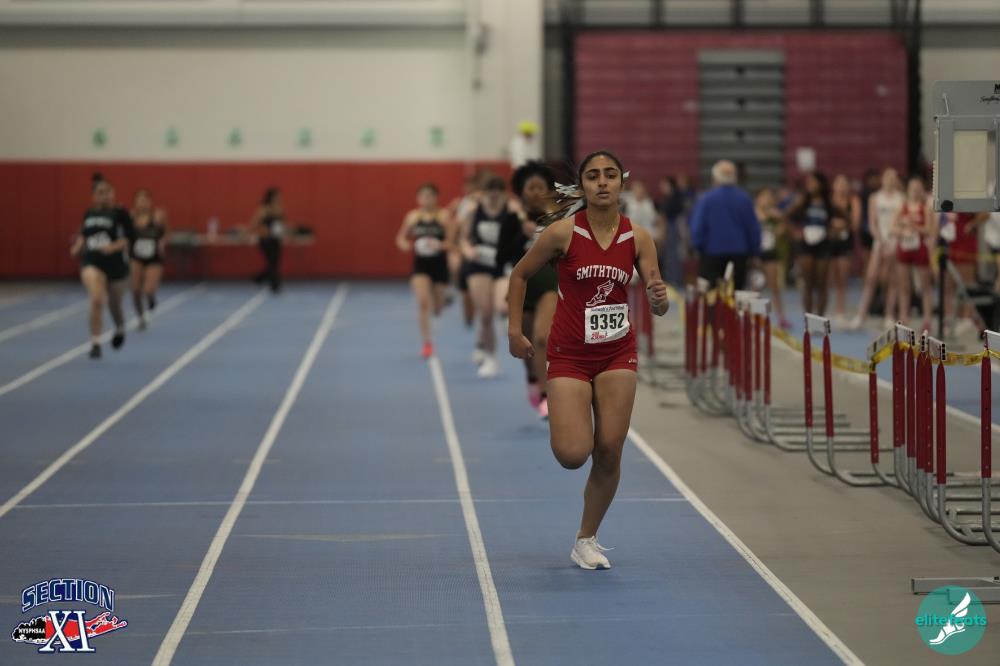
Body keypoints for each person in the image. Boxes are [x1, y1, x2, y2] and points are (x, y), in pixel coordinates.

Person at [506, 150, 669, 570]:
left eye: (610, 175)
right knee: (573, 454)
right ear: (582, 186)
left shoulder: (638, 237)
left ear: (621, 183)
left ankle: (586, 538)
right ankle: (570, 424)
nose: (602, 182)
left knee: (610, 449)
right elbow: (520, 274)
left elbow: (658, 297)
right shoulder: (562, 233)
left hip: (617, 352)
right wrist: (514, 330)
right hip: (569, 355)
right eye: (593, 176)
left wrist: (659, 298)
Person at [500, 161, 560, 418]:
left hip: (549, 282)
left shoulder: (557, 220)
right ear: (521, 191)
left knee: (541, 338)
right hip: (522, 286)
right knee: (526, 344)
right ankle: (533, 378)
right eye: (530, 188)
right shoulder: (512, 220)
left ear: (548, 191)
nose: (535, 193)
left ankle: (546, 396)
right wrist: (522, 237)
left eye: (540, 188)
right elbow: (501, 257)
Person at [459, 176, 520, 377]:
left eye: (497, 194)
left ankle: (504, 317)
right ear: (482, 194)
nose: (493, 198)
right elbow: (463, 239)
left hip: (502, 264)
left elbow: (520, 237)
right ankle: (491, 357)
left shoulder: (512, 210)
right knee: (485, 314)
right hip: (479, 264)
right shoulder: (473, 211)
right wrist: (468, 250)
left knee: (501, 305)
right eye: (489, 194)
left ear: (503, 193)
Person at [70, 174, 131, 359]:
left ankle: (119, 327)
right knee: (97, 298)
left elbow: (129, 238)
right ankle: (95, 343)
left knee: (115, 304)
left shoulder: (120, 213)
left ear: (113, 194)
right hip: (92, 261)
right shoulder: (89, 213)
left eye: (107, 192)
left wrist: (114, 247)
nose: (104, 196)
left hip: (115, 265)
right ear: (94, 196)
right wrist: (78, 245)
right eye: (100, 193)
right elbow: (85, 234)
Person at [395, 183, 452, 358]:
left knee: (437, 309)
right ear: (418, 198)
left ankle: (442, 301)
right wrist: (405, 245)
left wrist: (439, 245)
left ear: (436, 197)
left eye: (430, 196)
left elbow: (452, 242)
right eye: (423, 196)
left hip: (439, 264)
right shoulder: (413, 217)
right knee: (422, 302)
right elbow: (401, 237)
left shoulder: (444, 216)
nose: (426, 199)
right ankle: (427, 343)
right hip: (420, 265)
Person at [688, 160, 760, 290]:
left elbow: (697, 227)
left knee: (711, 295)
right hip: (739, 255)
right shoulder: (745, 199)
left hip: (711, 254)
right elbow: (753, 228)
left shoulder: (706, 199)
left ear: (715, 178)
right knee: (736, 293)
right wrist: (754, 252)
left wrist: (698, 246)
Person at [848, 168, 904, 329]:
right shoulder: (875, 198)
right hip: (880, 240)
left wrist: (893, 239)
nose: (890, 180)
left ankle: (889, 314)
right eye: (887, 177)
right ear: (882, 179)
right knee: (871, 277)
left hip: (895, 240)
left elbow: (901, 221)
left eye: (893, 177)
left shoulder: (901, 198)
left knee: (893, 279)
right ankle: (861, 315)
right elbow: (872, 223)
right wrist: (880, 239)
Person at [892, 175, 937, 331]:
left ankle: (927, 319)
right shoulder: (902, 206)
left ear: (922, 190)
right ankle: (904, 316)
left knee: (925, 285)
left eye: (918, 189)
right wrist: (902, 231)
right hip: (904, 247)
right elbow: (893, 227)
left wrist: (913, 226)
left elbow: (929, 229)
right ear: (908, 190)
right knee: (904, 285)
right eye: (913, 189)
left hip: (919, 248)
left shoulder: (925, 207)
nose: (916, 191)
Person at [788, 172, 835, 315]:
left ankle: (820, 317)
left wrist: (835, 229)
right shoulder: (802, 202)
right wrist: (795, 232)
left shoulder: (828, 203)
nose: (810, 185)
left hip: (823, 244)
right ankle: (808, 318)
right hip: (805, 244)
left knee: (822, 284)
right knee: (808, 283)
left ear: (821, 184)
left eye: (813, 182)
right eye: (808, 182)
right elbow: (787, 216)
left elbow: (845, 219)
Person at [940, 211, 989, 335]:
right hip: (950, 240)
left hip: (965, 241)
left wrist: (972, 224)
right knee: (948, 284)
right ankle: (950, 318)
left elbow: (985, 213)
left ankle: (966, 318)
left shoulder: (970, 200)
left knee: (966, 283)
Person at [128, 189, 168, 330]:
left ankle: (151, 299)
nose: (142, 203)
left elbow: (166, 232)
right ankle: (141, 318)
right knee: (135, 290)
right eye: (139, 201)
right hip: (136, 256)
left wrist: (162, 242)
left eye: (145, 200)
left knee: (148, 290)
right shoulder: (131, 217)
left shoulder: (157, 216)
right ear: (135, 203)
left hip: (154, 257)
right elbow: (126, 235)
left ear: (150, 202)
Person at [754, 187, 791, 329]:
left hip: (771, 253)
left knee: (774, 286)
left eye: (769, 197)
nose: (767, 200)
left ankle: (781, 317)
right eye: (764, 196)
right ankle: (755, 316)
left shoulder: (774, 214)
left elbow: (785, 226)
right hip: (757, 253)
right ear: (758, 199)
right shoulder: (753, 214)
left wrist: (781, 226)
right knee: (757, 286)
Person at [828, 174, 861, 326]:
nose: (841, 187)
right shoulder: (829, 201)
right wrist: (835, 224)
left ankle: (840, 311)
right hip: (830, 242)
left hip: (845, 243)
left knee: (842, 278)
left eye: (844, 183)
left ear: (848, 186)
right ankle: (828, 309)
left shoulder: (853, 201)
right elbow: (825, 221)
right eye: (838, 183)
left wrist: (840, 223)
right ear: (834, 186)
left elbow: (855, 224)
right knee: (829, 278)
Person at [251, 187, 285, 293]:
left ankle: (258, 278)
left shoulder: (279, 209)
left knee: (274, 263)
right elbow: (254, 224)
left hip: (276, 239)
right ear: (271, 197)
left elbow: (282, 224)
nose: (279, 198)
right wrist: (263, 231)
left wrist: (283, 233)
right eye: (277, 196)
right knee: (272, 262)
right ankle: (274, 285)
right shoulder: (264, 209)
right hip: (266, 240)